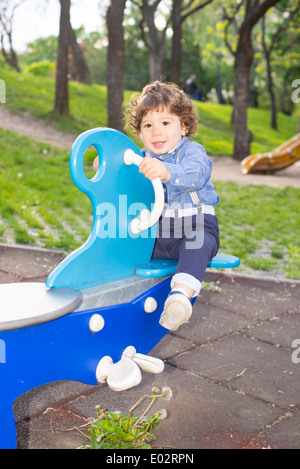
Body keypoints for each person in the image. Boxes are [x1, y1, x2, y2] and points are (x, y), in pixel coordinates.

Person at [94, 81, 220, 331]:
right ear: (139, 132)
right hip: (158, 233)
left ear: (184, 126)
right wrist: (107, 166)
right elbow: (123, 176)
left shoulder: (193, 152)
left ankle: (180, 297)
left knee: (198, 244)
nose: (156, 132)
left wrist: (167, 171)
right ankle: (110, 290)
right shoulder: (140, 158)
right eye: (147, 126)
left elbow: (197, 174)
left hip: (194, 226)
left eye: (165, 123)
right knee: (128, 243)